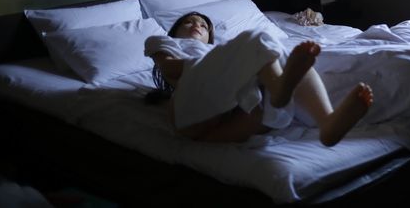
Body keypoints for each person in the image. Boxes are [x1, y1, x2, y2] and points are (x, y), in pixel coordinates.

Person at [144, 11, 373, 145]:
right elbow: (171, 68)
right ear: (174, 31)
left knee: (283, 58)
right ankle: (279, 89)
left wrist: (236, 65)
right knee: (258, 39)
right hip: (188, 110)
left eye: (204, 26)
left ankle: (327, 122)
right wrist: (227, 62)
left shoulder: (217, 56)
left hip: (227, 118)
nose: (197, 26)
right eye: (189, 22)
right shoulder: (165, 43)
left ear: (209, 38)